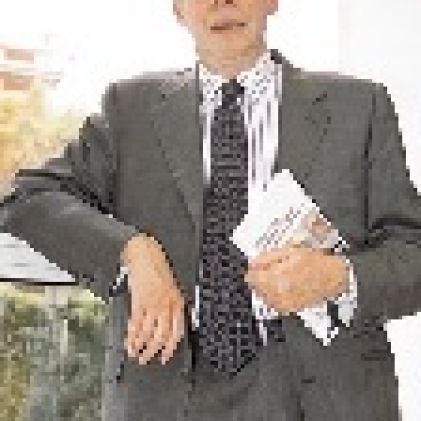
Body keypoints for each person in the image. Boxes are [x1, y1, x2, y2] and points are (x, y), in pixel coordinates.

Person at [2, 0, 421, 419]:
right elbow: (28, 197)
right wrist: (132, 251)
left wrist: (337, 277)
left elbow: (413, 256)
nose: (223, 1)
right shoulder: (129, 110)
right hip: (165, 397)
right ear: (178, 8)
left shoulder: (359, 107)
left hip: (326, 398)